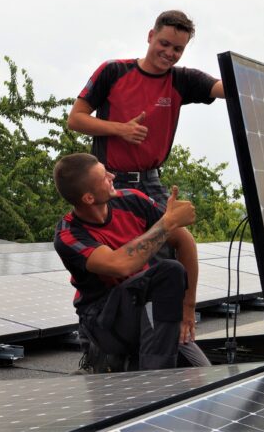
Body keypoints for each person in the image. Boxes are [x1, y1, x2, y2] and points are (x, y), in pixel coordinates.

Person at [65, 10, 264, 363]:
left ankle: (167, 344)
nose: (170, 53)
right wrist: (119, 129)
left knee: (164, 263)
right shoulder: (114, 71)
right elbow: (76, 119)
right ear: (150, 36)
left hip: (150, 182)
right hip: (109, 179)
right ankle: (98, 349)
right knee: (115, 268)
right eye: (164, 43)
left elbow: (231, 87)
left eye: (178, 49)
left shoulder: (180, 81)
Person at [53, 153, 198, 372]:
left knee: (201, 373)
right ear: (89, 198)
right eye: (104, 177)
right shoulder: (69, 235)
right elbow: (119, 264)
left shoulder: (132, 200)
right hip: (105, 318)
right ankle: (155, 381)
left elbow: (184, 240)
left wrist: (188, 308)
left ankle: (152, 364)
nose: (112, 176)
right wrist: (166, 223)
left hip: (144, 303)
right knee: (169, 271)